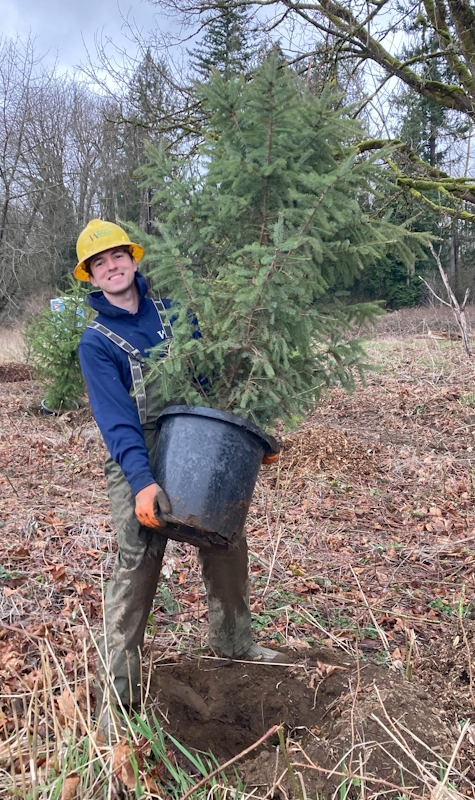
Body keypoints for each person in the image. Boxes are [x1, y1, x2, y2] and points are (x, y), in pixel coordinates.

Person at [75, 219, 285, 719]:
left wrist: (248, 437)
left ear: (133, 257)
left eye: (117, 256)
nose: (111, 266)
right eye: (99, 262)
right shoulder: (97, 341)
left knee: (226, 537)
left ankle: (235, 644)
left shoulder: (174, 314)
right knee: (138, 560)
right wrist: (143, 482)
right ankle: (118, 697)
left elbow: (211, 381)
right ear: (91, 275)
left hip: (195, 436)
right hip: (139, 451)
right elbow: (117, 420)